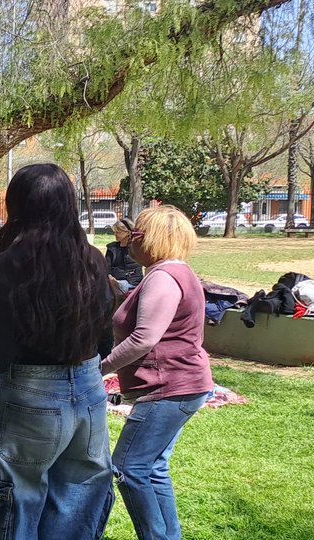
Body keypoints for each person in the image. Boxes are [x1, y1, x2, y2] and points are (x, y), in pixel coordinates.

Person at [0, 164, 114, 539]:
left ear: (17, 205)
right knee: (78, 500)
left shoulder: (10, 264)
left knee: (14, 500)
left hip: (29, 395)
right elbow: (105, 340)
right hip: (88, 392)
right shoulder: (94, 260)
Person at [102, 205, 213, 540]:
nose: (129, 242)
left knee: (128, 467)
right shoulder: (171, 273)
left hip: (169, 388)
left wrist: (99, 369)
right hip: (183, 385)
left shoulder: (163, 277)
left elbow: (144, 338)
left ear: (150, 240)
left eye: (135, 235)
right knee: (154, 468)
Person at [106, 217, 144, 294]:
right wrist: (110, 277)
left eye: (118, 232)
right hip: (114, 283)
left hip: (132, 284)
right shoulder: (111, 248)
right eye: (115, 232)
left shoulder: (135, 248)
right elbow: (106, 267)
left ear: (128, 232)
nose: (115, 234)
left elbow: (137, 272)